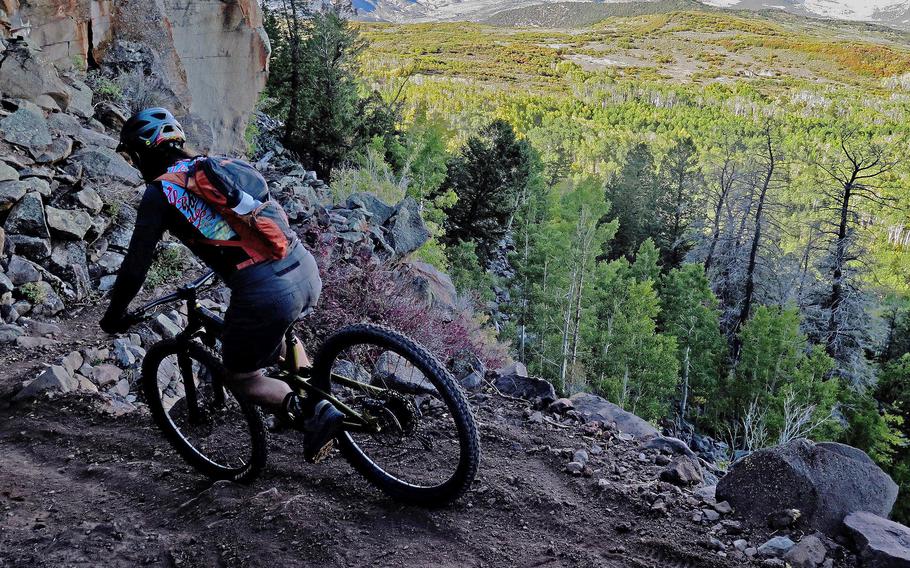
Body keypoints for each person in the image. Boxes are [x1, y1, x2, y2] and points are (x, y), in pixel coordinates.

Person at [100, 107, 343, 462]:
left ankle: (311, 413)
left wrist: (115, 314)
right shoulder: (212, 167)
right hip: (302, 265)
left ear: (145, 152)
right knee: (279, 331)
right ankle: (316, 394)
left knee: (242, 376)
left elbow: (135, 268)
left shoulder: (161, 192)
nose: (135, 165)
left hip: (266, 291)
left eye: (134, 156)